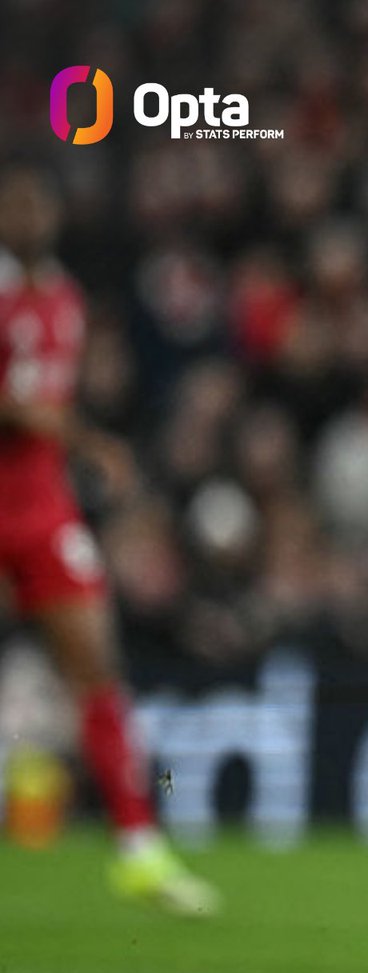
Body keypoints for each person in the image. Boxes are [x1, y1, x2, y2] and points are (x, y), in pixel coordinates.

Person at [0, 163, 218, 916]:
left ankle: (138, 849)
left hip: (43, 510)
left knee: (97, 667)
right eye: (18, 201)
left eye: (39, 200)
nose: (31, 215)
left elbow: (44, 403)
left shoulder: (62, 297)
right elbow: (21, 407)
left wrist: (73, 440)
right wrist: (90, 441)